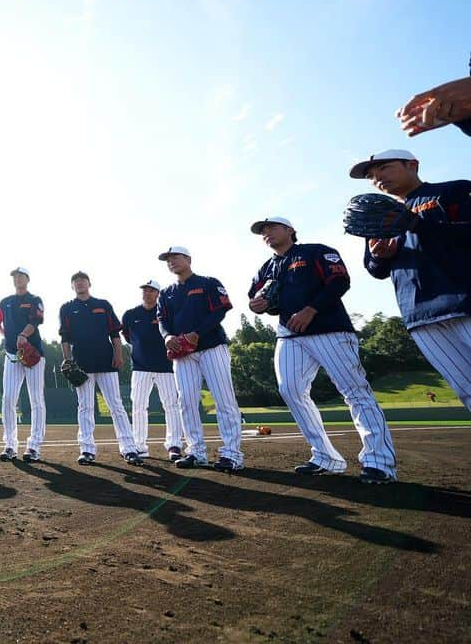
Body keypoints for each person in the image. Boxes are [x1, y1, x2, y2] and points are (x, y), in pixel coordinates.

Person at [248, 217, 397, 484]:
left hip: (329, 329)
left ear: (291, 230)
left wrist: (311, 309)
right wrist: (256, 305)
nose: (266, 233)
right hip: (289, 334)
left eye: (272, 228)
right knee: (291, 390)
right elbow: (255, 298)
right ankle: (325, 457)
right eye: (263, 231)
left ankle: (379, 461)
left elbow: (340, 281)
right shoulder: (266, 267)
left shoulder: (316, 251)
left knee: (354, 390)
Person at [351, 150, 471, 412]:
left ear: (412, 165)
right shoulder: (380, 215)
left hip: (465, 301)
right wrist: (380, 256)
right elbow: (375, 269)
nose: (377, 178)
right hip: (419, 315)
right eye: (371, 176)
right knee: (466, 390)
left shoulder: (454, 190)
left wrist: (418, 224)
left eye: (384, 168)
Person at [156, 246, 244, 472]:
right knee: (186, 402)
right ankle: (196, 452)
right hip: (183, 354)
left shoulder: (208, 282)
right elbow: (163, 320)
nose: (171, 261)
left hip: (211, 347)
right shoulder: (166, 293)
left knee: (224, 400)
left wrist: (198, 333)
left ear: (188, 259)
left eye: (175, 257)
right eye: (168, 259)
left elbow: (220, 311)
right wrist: (167, 337)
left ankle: (232, 454)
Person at [58, 272, 144, 466]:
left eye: (83, 280)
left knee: (116, 405)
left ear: (89, 283)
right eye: (76, 282)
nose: (80, 283)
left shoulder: (103, 305)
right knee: (85, 407)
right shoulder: (67, 308)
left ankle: (129, 448)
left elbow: (115, 333)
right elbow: (65, 336)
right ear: (72, 286)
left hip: (106, 361)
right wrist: (67, 360)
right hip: (81, 363)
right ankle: (87, 449)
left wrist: (119, 354)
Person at [121, 279, 186, 460]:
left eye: (151, 290)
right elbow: (128, 337)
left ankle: (174, 445)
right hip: (140, 367)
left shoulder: (166, 313)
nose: (147, 293)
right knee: (139, 407)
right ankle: (139, 446)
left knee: (171, 406)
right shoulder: (130, 314)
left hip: (166, 367)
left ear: (158, 293)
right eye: (145, 290)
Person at [0, 267, 47, 462]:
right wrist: (5, 335)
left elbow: (36, 320)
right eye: (15, 276)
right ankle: (10, 445)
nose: (17, 279)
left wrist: (23, 335)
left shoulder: (34, 300)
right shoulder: (6, 302)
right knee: (8, 399)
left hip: (33, 354)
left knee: (36, 400)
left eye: (21, 276)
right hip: (12, 356)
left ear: (27, 279)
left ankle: (34, 446)